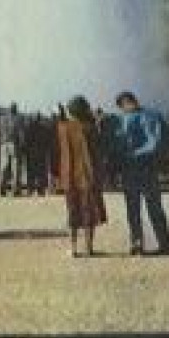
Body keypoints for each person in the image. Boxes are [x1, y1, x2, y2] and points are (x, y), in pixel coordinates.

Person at [114, 91, 169, 256]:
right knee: (154, 207)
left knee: (133, 208)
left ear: (123, 104)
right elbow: (162, 141)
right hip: (148, 166)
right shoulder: (153, 115)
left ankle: (137, 244)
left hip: (129, 168)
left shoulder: (119, 120)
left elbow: (114, 145)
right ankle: (164, 241)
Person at [57, 96, 107, 256]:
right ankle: (89, 247)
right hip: (87, 174)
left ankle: (73, 248)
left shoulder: (63, 127)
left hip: (69, 175)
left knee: (72, 210)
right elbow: (97, 151)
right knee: (89, 212)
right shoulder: (90, 128)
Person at [0, 102, 23, 196]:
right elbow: (21, 133)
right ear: (15, 109)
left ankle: (1, 189)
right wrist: (22, 144)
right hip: (14, 143)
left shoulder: (2, 118)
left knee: (3, 167)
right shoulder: (18, 118)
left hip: (4, 144)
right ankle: (15, 190)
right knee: (15, 168)